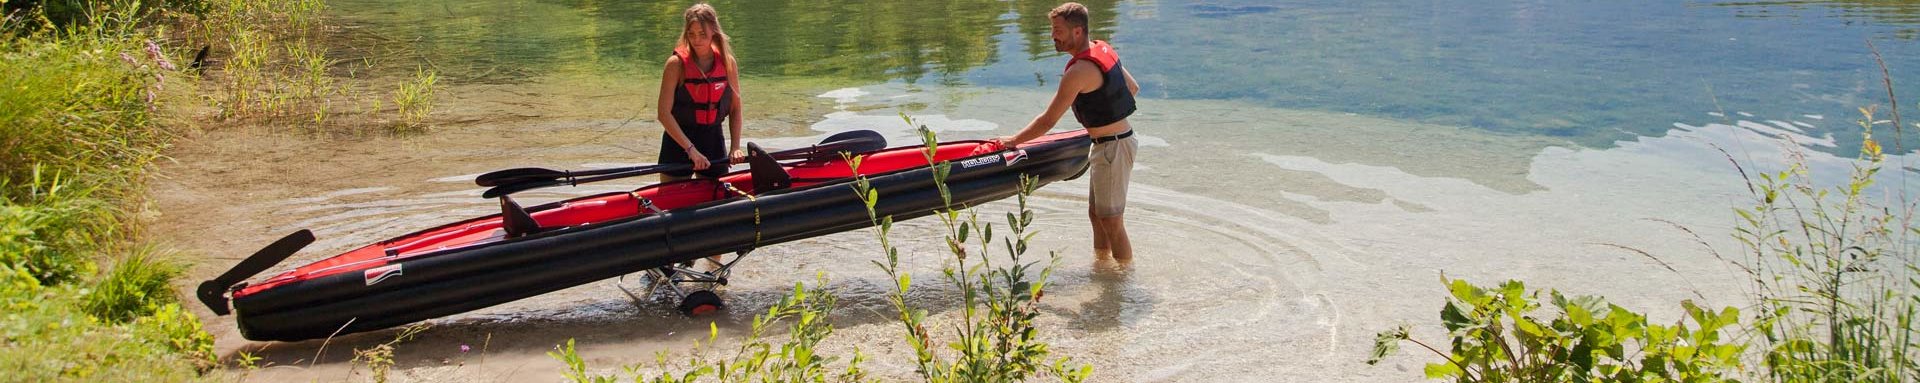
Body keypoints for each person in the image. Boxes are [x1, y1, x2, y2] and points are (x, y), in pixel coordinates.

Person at [996, 2, 1139, 261]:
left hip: (1112, 147)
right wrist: (1103, 114)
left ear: (1077, 32)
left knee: (1112, 221)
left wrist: (1013, 141)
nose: (1053, 35)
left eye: (1058, 30)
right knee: (1097, 215)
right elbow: (1132, 88)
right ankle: (1102, 265)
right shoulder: (1103, 49)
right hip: (1113, 143)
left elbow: (1048, 120)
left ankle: (1122, 284)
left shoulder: (1078, 71)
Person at [657, 3, 745, 183]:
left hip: (712, 139)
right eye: (691, 34)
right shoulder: (675, 64)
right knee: (671, 200)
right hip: (677, 142)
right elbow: (663, 114)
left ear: (714, 30)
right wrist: (691, 151)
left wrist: (735, 146)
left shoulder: (728, 63)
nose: (696, 40)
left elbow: (735, 109)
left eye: (702, 34)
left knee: (717, 200)